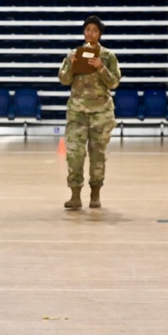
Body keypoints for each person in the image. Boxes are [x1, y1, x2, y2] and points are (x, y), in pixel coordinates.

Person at [57, 15, 121, 209]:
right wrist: (72, 65)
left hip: (101, 113)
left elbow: (114, 82)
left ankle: (95, 194)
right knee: (75, 154)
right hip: (77, 112)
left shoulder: (108, 56)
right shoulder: (73, 54)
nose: (90, 33)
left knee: (97, 155)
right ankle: (75, 194)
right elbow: (63, 79)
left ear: (100, 33)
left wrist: (101, 68)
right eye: (87, 30)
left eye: (94, 30)